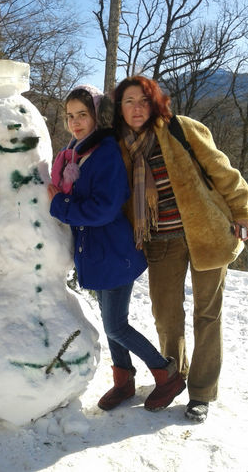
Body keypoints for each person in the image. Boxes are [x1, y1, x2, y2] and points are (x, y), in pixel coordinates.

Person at [113, 75, 248, 422]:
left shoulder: (182, 129)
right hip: (160, 240)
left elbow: (224, 173)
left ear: (155, 101)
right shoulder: (121, 147)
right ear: (120, 108)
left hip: (206, 234)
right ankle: (172, 377)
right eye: (129, 101)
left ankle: (202, 392)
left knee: (207, 315)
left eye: (143, 99)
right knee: (166, 316)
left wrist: (243, 212)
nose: (136, 107)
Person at [48, 85, 186, 413]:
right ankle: (123, 381)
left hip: (115, 251)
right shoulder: (76, 151)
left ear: (98, 115)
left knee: (115, 325)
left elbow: (104, 209)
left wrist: (60, 204)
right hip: (97, 254)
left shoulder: (106, 150)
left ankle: (166, 372)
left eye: (83, 114)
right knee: (112, 319)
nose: (75, 122)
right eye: (70, 116)